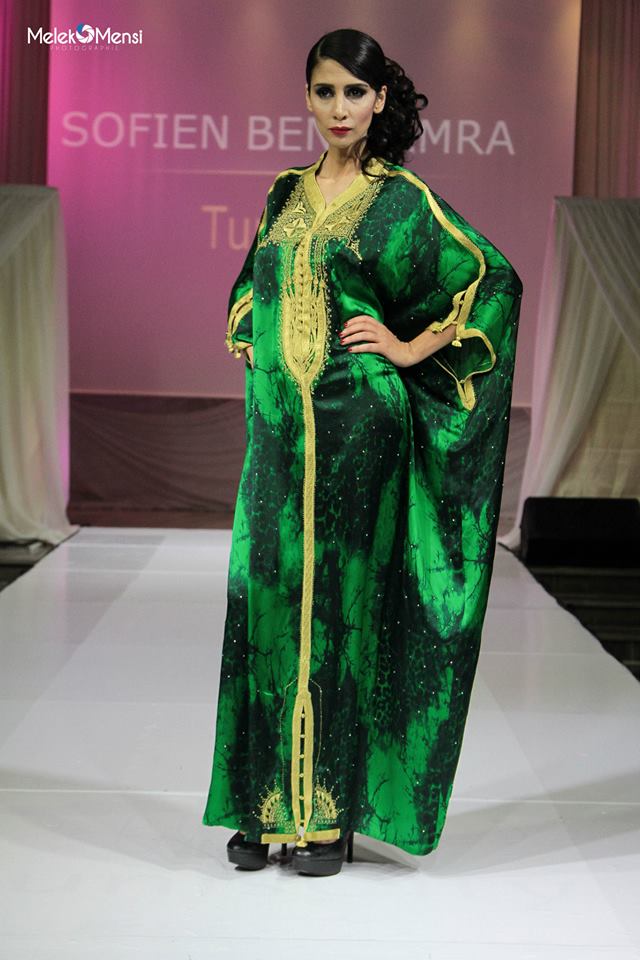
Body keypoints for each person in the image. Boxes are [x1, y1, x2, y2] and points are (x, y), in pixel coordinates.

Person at [202, 27, 522, 877]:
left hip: (359, 426)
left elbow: (490, 277)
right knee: (266, 594)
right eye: (325, 91)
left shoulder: (401, 200)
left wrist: (411, 348)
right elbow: (252, 286)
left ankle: (324, 813)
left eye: (354, 92)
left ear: (380, 100)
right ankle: (260, 802)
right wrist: (252, 333)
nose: (338, 108)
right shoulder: (283, 192)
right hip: (277, 432)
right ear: (307, 98)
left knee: (340, 606)